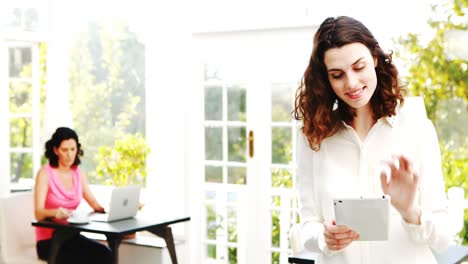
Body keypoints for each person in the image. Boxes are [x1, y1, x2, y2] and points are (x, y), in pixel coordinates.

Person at [293, 16, 450, 263]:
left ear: (375, 59)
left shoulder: (416, 127)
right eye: (337, 75)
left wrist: (410, 211)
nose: (352, 83)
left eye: (359, 67)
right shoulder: (314, 135)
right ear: (326, 79)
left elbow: (444, 238)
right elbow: (307, 226)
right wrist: (325, 238)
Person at [34, 127, 113, 264]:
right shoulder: (45, 174)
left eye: (73, 149)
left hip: (72, 237)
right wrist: (55, 213)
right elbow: (38, 213)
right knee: (84, 259)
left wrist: (113, 209)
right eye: (65, 150)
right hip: (50, 242)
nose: (70, 154)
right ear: (55, 150)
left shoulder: (78, 173)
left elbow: (94, 204)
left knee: (105, 253)